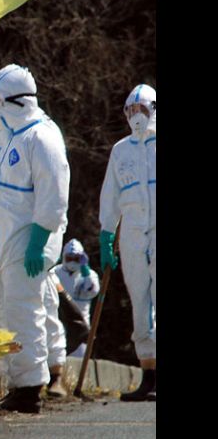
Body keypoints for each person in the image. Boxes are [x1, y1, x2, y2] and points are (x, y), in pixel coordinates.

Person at [0, 64, 70, 414]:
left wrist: (38, 242)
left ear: (17, 102)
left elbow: (54, 195)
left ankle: (30, 387)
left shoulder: (41, 137)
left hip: (27, 242)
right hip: (9, 243)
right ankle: (19, 383)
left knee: (25, 311)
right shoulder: (16, 134)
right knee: (6, 314)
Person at [99, 84, 156, 402]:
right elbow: (111, 195)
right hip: (133, 233)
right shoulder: (120, 150)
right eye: (131, 110)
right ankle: (149, 374)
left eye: (141, 109)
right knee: (139, 302)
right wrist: (107, 234)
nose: (136, 115)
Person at [53, 238, 99, 358]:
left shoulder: (90, 275)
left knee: (79, 358)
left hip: (81, 327)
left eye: (76, 258)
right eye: (69, 258)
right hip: (59, 323)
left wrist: (85, 272)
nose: (72, 262)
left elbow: (93, 291)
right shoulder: (55, 272)